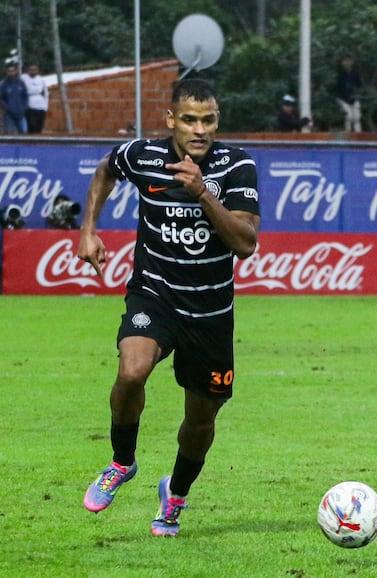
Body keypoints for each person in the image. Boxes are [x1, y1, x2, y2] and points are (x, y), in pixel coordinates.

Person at [78, 78, 260, 537]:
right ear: (171, 120)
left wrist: (203, 193)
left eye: (209, 120)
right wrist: (88, 229)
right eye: (190, 119)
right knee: (131, 371)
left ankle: (174, 495)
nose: (199, 129)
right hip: (154, 294)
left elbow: (246, 243)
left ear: (217, 120)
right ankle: (122, 461)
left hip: (211, 313)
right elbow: (106, 170)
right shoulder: (143, 156)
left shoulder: (237, 166)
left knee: (200, 419)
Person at [334, 54, 362, 132]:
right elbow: (337, 88)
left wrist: (356, 96)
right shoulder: (340, 74)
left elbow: (359, 86)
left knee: (357, 117)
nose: (347, 63)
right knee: (349, 116)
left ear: (352, 62)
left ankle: (358, 136)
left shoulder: (355, 73)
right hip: (342, 98)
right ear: (342, 63)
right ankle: (348, 134)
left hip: (354, 98)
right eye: (345, 61)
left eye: (349, 61)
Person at [0, 63, 28, 134]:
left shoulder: (21, 83)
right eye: (9, 71)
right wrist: (7, 108)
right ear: (6, 72)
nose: (11, 73)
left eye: (12, 71)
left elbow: (25, 96)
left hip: (21, 114)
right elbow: (1, 98)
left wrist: (24, 107)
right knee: (10, 135)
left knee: (24, 134)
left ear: (16, 71)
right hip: (9, 115)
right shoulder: (3, 84)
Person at [21, 63, 48, 134]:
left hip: (41, 106)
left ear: (38, 70)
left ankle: (38, 143)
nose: (33, 71)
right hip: (30, 106)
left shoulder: (41, 79)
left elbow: (46, 93)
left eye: (35, 70)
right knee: (31, 126)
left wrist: (46, 107)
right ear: (28, 70)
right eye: (31, 70)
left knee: (39, 127)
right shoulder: (23, 78)